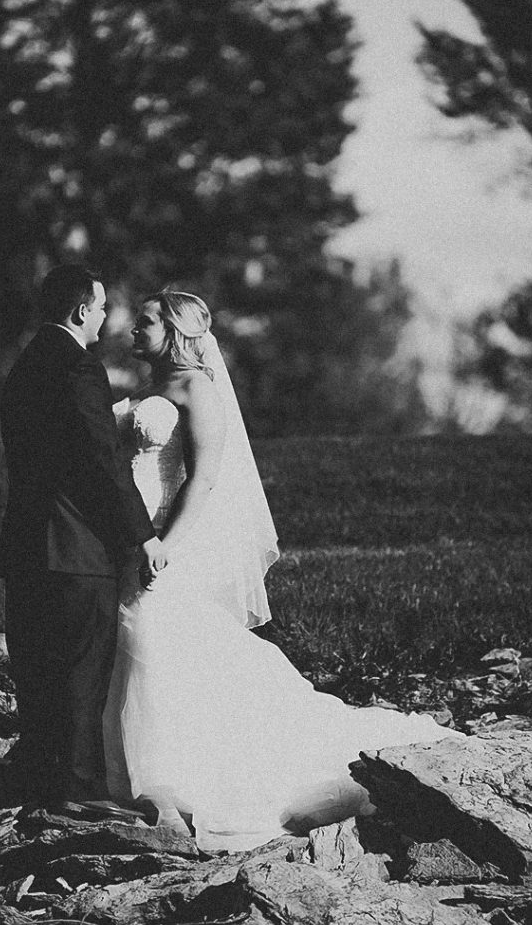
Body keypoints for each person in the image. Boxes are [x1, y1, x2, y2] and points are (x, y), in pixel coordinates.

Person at [103, 291, 450, 853]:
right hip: (134, 543)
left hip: (167, 544)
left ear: (172, 329)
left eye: (144, 321)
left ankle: (184, 778)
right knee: (144, 645)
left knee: (153, 639)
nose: (132, 329)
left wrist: (164, 543)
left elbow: (205, 478)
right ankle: (145, 772)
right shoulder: (151, 390)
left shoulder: (199, 389)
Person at [0, 264, 166, 812]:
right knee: (80, 673)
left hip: (24, 547)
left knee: (36, 669)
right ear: (78, 312)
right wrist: (141, 536)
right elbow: (102, 462)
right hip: (75, 549)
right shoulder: (79, 367)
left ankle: (41, 780)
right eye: (98, 310)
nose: (102, 320)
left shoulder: (23, 367)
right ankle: (76, 789)